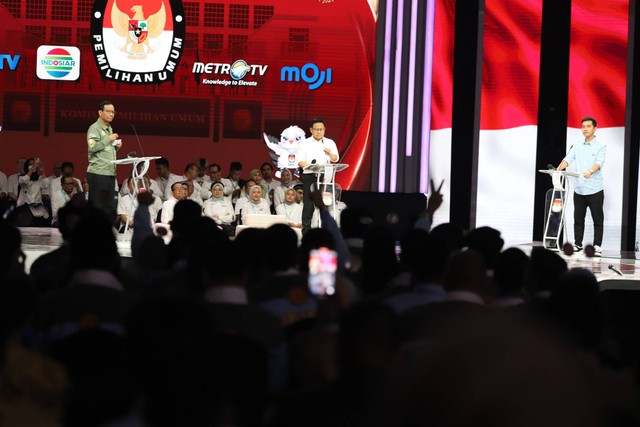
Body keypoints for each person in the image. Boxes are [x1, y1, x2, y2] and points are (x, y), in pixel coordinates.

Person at [556, 116, 606, 256]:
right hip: (579, 189)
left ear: (595, 128)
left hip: (595, 188)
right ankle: (578, 244)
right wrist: (559, 168)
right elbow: (568, 158)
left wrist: (590, 171)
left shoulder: (601, 145)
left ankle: (597, 246)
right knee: (578, 218)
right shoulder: (577, 144)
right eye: (583, 126)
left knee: (597, 219)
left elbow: (599, 162)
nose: (585, 129)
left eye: (588, 126)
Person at [297, 118, 339, 235]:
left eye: (321, 129)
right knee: (308, 206)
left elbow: (335, 159)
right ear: (311, 130)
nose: (319, 132)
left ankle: (326, 231)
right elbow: (300, 161)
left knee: (325, 204)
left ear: (325, 129)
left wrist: (330, 153)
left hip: (326, 176)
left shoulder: (329, 142)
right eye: (316, 129)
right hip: (310, 176)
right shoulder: (305, 143)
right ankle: (306, 233)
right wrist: (311, 166)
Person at [86, 100, 122, 218]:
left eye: (113, 112)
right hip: (98, 172)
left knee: (108, 206)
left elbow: (104, 151)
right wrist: (109, 139)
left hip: (109, 172)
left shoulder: (109, 128)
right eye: (108, 111)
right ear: (100, 112)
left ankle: (103, 232)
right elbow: (92, 147)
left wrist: (116, 147)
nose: (111, 114)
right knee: (97, 206)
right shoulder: (94, 128)